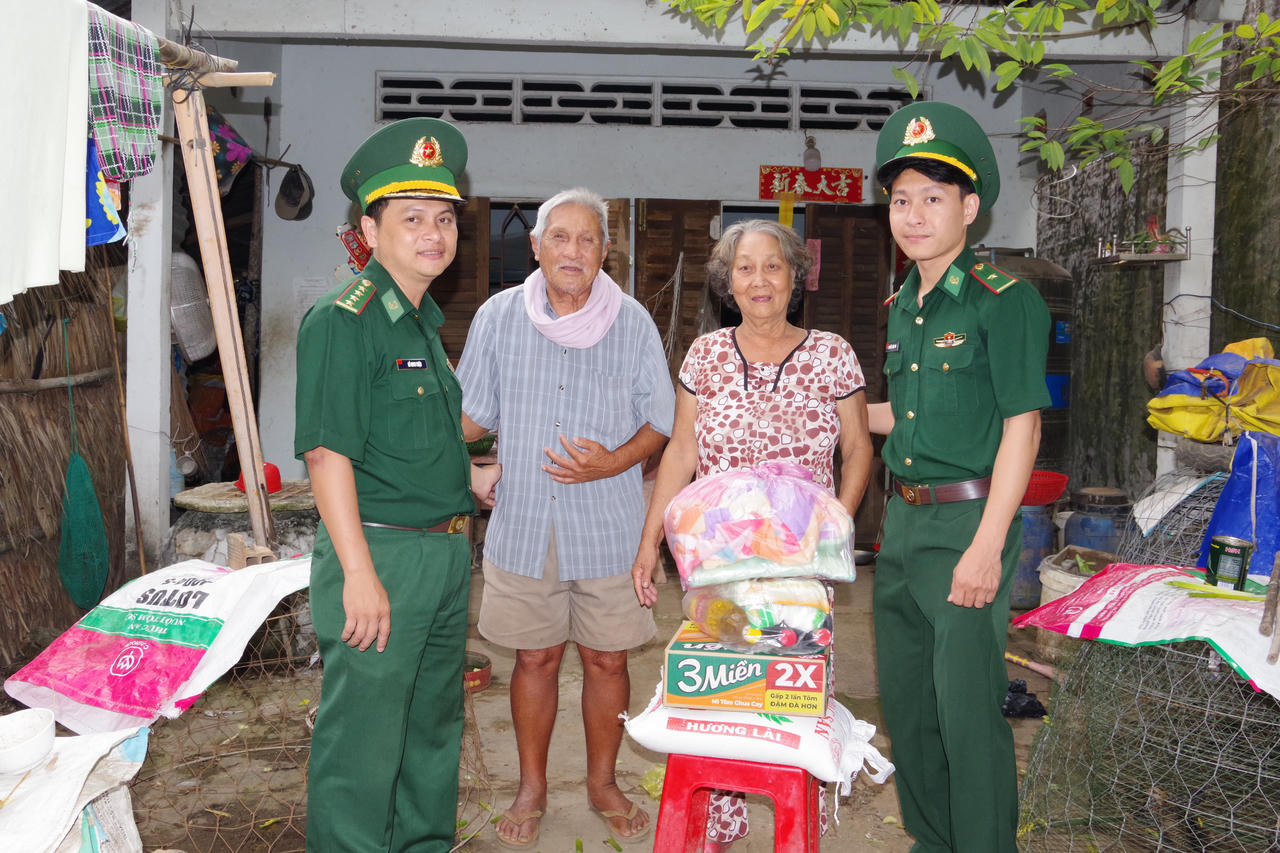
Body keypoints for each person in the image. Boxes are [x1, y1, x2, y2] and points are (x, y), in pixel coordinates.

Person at [631, 218, 874, 850]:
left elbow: (856, 449)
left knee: (790, 699)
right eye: (745, 268)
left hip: (799, 569)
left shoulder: (830, 353)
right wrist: (650, 539)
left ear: (795, 277)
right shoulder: (706, 356)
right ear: (727, 282)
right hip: (718, 565)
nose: (759, 279)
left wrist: (831, 537)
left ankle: (799, 826)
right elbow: (682, 450)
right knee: (721, 698)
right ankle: (718, 828)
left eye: (773, 266)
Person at [295, 117, 501, 853]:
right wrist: (358, 573)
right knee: (365, 742)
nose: (433, 233)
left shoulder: (419, 321)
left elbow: (408, 440)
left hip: (444, 555)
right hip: (381, 555)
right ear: (369, 227)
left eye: (444, 218)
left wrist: (471, 476)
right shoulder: (343, 320)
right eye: (411, 218)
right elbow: (326, 455)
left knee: (431, 729)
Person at [455, 187, 674, 849]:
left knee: (608, 661)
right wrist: (455, 455)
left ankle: (604, 783)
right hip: (524, 523)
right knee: (535, 657)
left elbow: (661, 423)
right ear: (536, 245)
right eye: (560, 237)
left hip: (607, 525)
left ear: (605, 250)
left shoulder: (631, 321)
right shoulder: (497, 317)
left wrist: (612, 462)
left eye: (587, 240)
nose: (573, 252)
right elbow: (469, 417)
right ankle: (532, 787)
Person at [867, 102, 1051, 852]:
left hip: (967, 527)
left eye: (933, 199)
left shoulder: (1002, 302)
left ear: (970, 207)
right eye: (901, 199)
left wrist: (987, 546)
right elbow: (902, 419)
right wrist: (822, 407)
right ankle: (934, 839)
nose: (913, 215)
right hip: (903, 526)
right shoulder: (904, 305)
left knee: (968, 712)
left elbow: (1023, 426)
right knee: (910, 706)